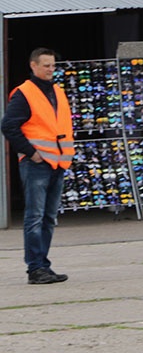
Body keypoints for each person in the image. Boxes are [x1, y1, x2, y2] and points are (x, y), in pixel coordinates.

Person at [1, 48, 74, 284]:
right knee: (35, 216)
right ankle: (35, 268)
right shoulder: (24, 93)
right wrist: (32, 153)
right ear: (33, 66)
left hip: (58, 162)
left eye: (53, 65)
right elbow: (9, 126)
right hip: (38, 164)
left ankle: (43, 264)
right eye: (46, 65)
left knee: (48, 218)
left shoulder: (58, 92)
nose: (51, 70)